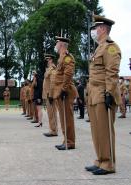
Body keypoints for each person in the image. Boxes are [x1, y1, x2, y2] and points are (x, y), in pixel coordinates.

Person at [85, 15, 121, 175]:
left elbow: (112, 73)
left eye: (96, 28)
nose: (93, 31)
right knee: (96, 129)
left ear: (103, 29)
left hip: (103, 93)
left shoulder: (110, 47)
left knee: (105, 129)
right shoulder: (98, 48)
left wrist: (110, 93)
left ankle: (108, 163)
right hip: (93, 94)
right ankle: (100, 159)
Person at [51, 36, 77, 150]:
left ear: (61, 45)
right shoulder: (61, 57)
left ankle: (70, 142)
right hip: (60, 92)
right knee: (63, 117)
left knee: (67, 118)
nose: (55, 46)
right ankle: (66, 140)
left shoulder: (67, 57)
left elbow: (68, 74)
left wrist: (63, 89)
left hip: (64, 92)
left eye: (57, 43)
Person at [42, 53, 58, 137]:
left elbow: (53, 83)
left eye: (47, 59)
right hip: (47, 94)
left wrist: (51, 95)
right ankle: (52, 129)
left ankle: (54, 130)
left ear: (51, 60)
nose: (46, 61)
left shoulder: (52, 69)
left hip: (50, 95)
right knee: (50, 113)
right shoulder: (48, 69)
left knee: (52, 113)